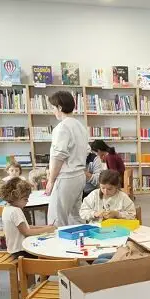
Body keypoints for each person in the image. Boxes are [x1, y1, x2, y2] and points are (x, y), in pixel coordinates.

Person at [46, 90, 89, 227]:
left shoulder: (62, 128)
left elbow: (58, 157)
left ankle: (58, 246)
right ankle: (80, 244)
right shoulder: (80, 126)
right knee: (75, 216)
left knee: (57, 218)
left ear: (59, 107)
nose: (53, 111)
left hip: (66, 177)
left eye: (53, 108)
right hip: (79, 175)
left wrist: (51, 180)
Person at [0, 177, 56, 259]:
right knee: (47, 252)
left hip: (14, 250)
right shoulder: (15, 211)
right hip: (21, 252)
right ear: (15, 196)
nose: (27, 201)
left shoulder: (7, 208)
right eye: (25, 199)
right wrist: (47, 230)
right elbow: (27, 232)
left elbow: (26, 226)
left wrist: (45, 227)